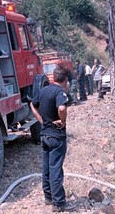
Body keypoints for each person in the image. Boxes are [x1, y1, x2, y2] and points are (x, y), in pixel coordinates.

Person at [30, 65, 76, 212]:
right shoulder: (60, 92)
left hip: (44, 135)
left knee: (47, 167)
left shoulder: (43, 91)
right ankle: (59, 203)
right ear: (65, 79)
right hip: (56, 136)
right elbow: (61, 108)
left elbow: (32, 104)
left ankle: (48, 196)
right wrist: (63, 121)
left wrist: (41, 120)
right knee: (56, 168)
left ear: (53, 77)